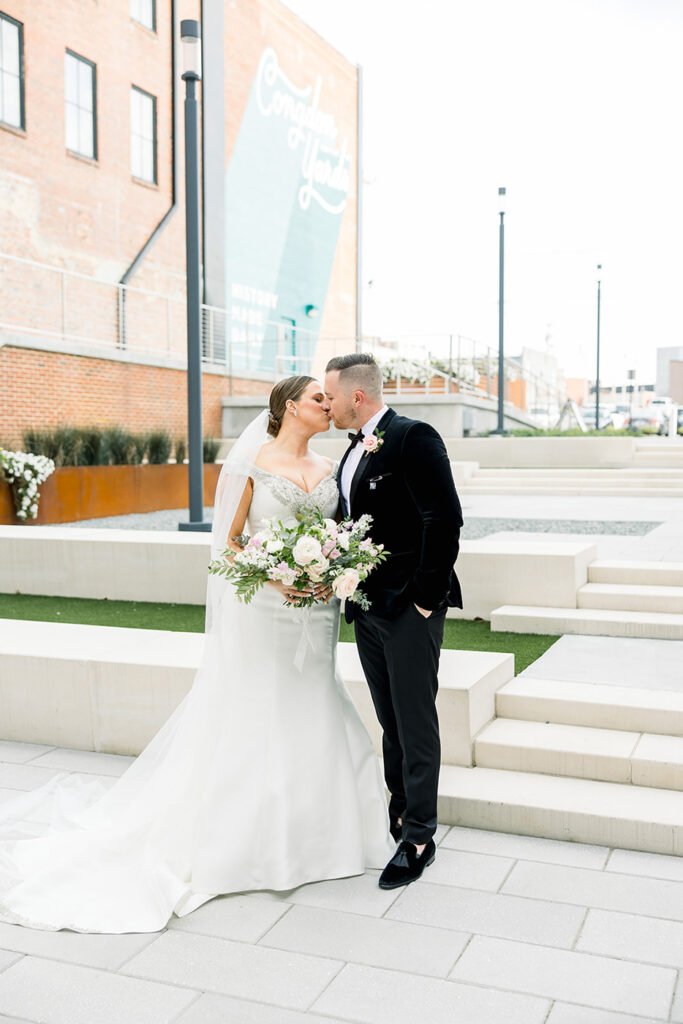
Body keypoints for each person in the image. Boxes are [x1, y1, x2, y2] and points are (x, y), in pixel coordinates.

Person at [0, 375, 394, 934]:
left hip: (318, 610)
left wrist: (330, 572)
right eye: (318, 399)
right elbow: (229, 543)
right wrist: (276, 575)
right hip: (266, 606)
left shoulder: (332, 469)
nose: (328, 407)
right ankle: (248, 839)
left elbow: (341, 536)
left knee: (314, 698)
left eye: (329, 400)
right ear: (289, 406)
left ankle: (322, 835)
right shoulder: (250, 465)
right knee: (261, 705)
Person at [324, 353, 463, 890]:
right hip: (366, 608)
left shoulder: (413, 437)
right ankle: (399, 815)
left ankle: (421, 837)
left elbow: (443, 517)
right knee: (390, 720)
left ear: (356, 397)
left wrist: (425, 599)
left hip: (408, 608)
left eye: (331, 396)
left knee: (415, 720)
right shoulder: (351, 451)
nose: (328, 405)